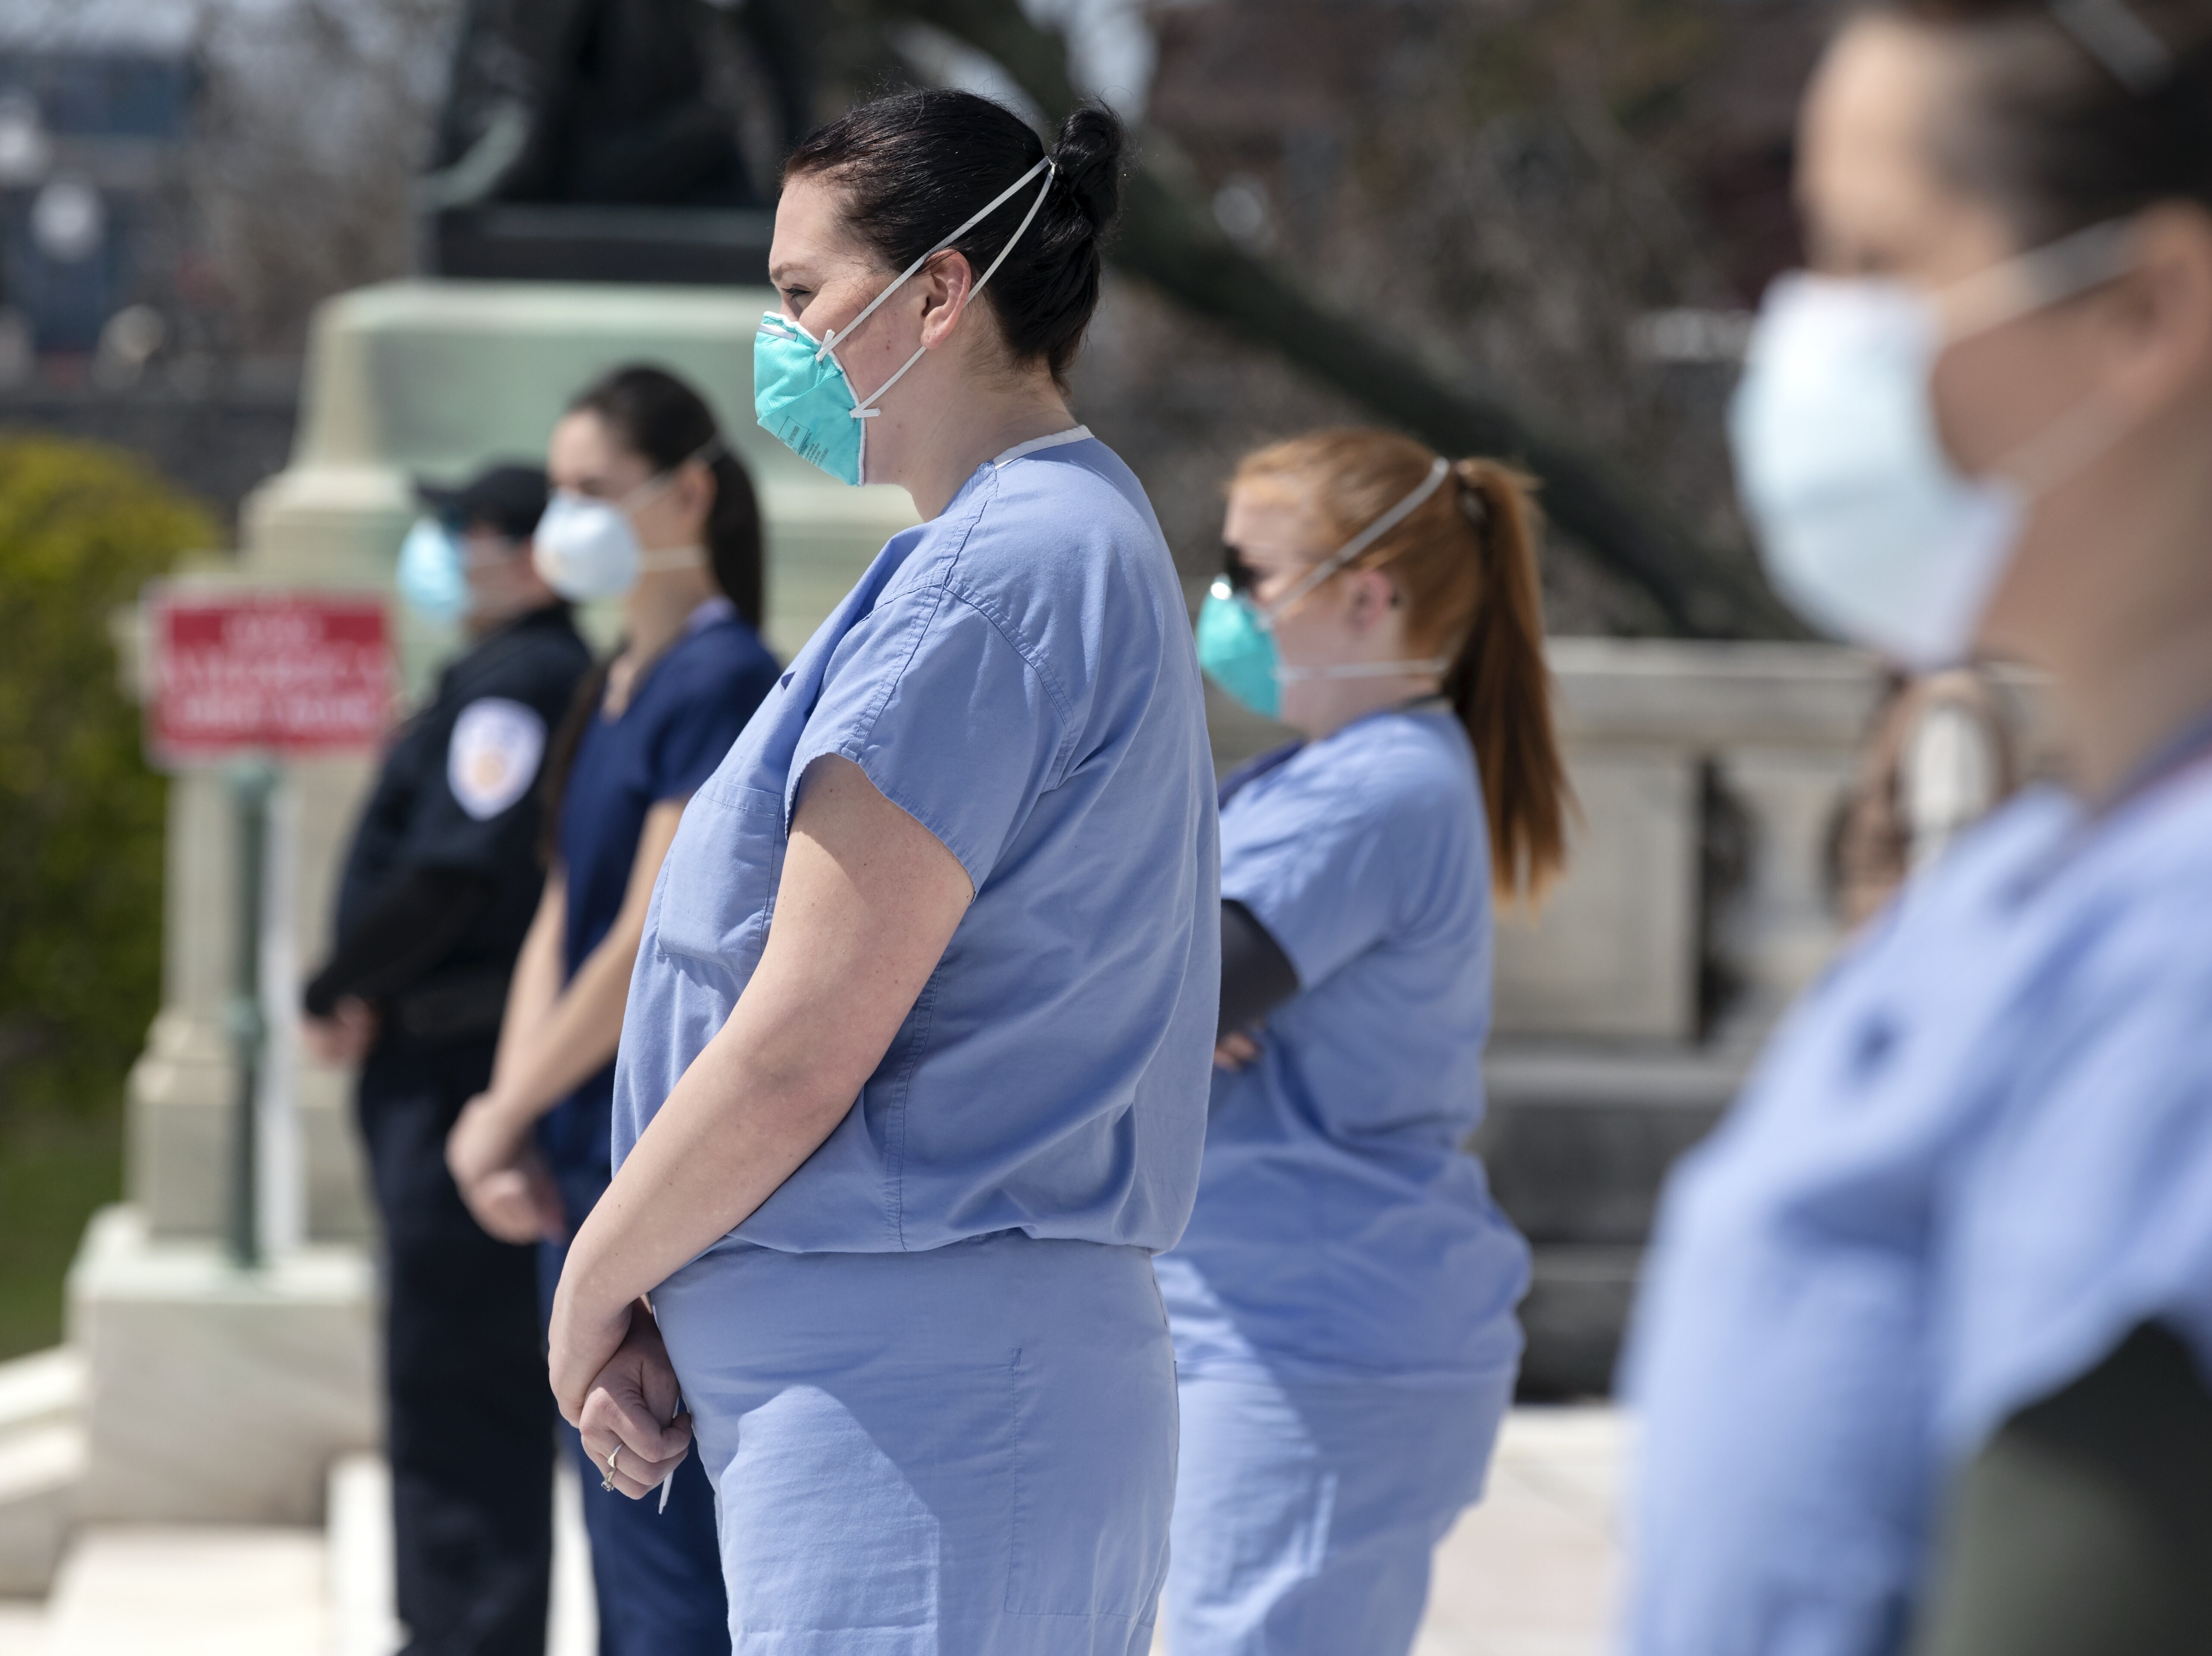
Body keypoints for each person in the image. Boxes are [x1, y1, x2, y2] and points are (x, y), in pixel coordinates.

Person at [540, 89, 1218, 1656]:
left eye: (799, 293)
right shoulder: (1053, 535)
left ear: (937, 292)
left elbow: (801, 1039)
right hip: (937, 1385)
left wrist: (595, 1278)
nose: (775, 338)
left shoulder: (993, 573)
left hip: (921, 1405)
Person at [1624, 2, 2212, 1651]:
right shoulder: (2024, 893)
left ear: (2147, 307)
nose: (1801, 342)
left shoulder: (2177, 969)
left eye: (1873, 265)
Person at [1159, 430, 1571, 1656]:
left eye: (1253, 572)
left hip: (1317, 1342)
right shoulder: (1323, 775)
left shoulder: (1379, 787)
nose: (1223, 602)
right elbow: (1164, 992)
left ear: (1369, 591)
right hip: (1288, 1326)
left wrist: (1167, 985)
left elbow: (1173, 997)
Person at [443, 364, 778, 1655]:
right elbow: (562, 906)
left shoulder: (725, 678)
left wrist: (507, 1107)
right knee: (618, 1555)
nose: (560, 519)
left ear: (686, 492)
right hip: (570, 1163)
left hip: (651, 1173)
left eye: (591, 489)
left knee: (670, 1567)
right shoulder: (611, 683)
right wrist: (510, 1110)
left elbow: (651, 928)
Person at [305, 463, 592, 1656]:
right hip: (442, 1061)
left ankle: (467, 1633)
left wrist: (340, 980)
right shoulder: (502, 677)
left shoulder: (518, 686)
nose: (445, 554)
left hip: (458, 1072)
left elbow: (451, 872)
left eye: (464, 533)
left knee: (457, 1387)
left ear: (529, 554)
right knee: (449, 1379)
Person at [1835, 666, 2021, 926]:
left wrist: (1924, 951)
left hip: (1916, 939)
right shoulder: (1923, 698)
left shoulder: (1947, 707)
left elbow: (1946, 857)